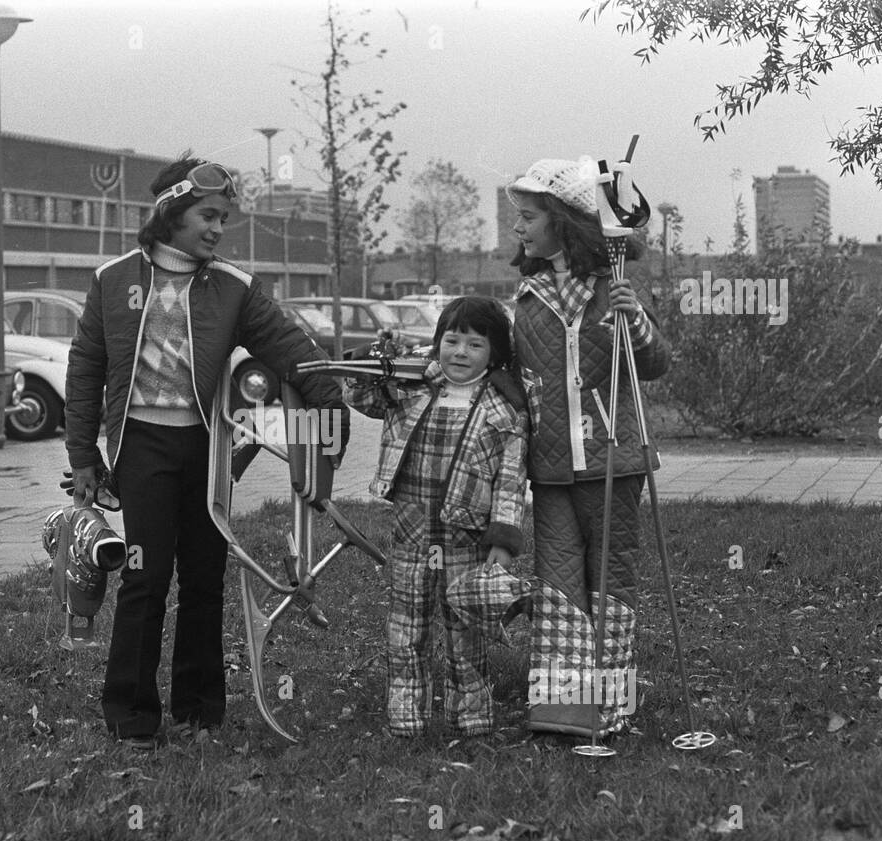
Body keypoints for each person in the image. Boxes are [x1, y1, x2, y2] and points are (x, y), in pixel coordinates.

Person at [63, 154, 349, 751]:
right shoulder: (112, 280)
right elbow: (86, 368)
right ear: (172, 211)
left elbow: (292, 349)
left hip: (208, 445)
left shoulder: (234, 288)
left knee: (204, 576)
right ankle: (130, 715)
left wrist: (329, 410)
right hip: (141, 446)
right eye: (208, 215)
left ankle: (199, 712)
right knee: (145, 576)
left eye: (224, 218)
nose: (218, 229)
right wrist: (83, 454)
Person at [506, 158, 670, 738]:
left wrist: (637, 322)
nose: (518, 229)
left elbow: (654, 364)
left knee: (612, 579)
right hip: (550, 468)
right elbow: (511, 376)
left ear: (565, 222)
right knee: (557, 580)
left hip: (612, 461)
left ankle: (612, 701)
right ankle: (565, 708)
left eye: (528, 217)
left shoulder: (611, 288)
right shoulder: (526, 298)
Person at [345, 296, 528, 738]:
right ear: (437, 342)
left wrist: (502, 541)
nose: (460, 352)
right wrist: (377, 358)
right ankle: (406, 717)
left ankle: (472, 717)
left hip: (466, 537)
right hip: (411, 527)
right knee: (406, 625)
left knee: (465, 628)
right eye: (451, 340)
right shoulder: (410, 387)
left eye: (475, 344)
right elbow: (358, 392)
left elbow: (510, 481)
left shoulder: (505, 410)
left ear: (495, 354)